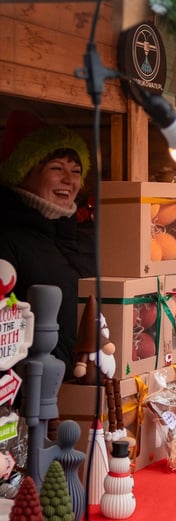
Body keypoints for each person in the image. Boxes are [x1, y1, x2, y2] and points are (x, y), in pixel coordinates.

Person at [0, 110, 95, 378]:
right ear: (23, 173)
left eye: (76, 171)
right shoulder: (7, 240)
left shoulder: (84, 241)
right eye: (57, 168)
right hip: (31, 391)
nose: (70, 180)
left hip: (88, 385)